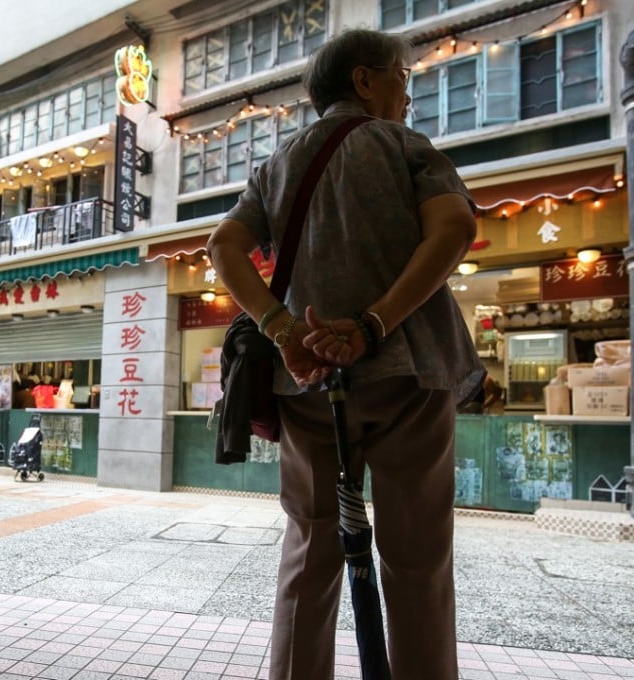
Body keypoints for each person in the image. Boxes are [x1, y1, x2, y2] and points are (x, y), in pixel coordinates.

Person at [206, 29, 483, 680]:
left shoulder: (279, 165)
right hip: (409, 379)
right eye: (402, 76)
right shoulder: (404, 145)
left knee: (309, 552)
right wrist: (372, 324)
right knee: (416, 562)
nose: (407, 94)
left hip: (306, 385)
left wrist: (281, 329)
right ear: (365, 80)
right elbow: (456, 228)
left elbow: (224, 245)